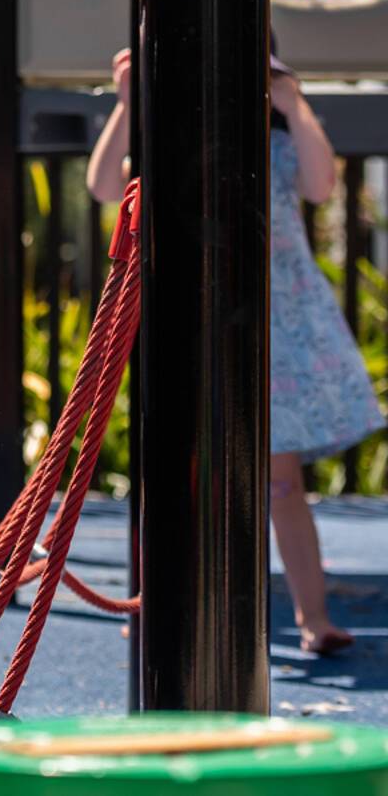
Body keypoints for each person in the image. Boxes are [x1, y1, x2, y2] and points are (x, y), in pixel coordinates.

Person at [86, 42, 385, 656]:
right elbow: (101, 185)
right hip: (193, 317)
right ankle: (161, 607)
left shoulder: (274, 145)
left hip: (271, 322)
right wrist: (127, 104)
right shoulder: (165, 145)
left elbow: (323, 184)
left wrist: (292, 102)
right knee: (179, 476)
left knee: (280, 479)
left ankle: (313, 616)